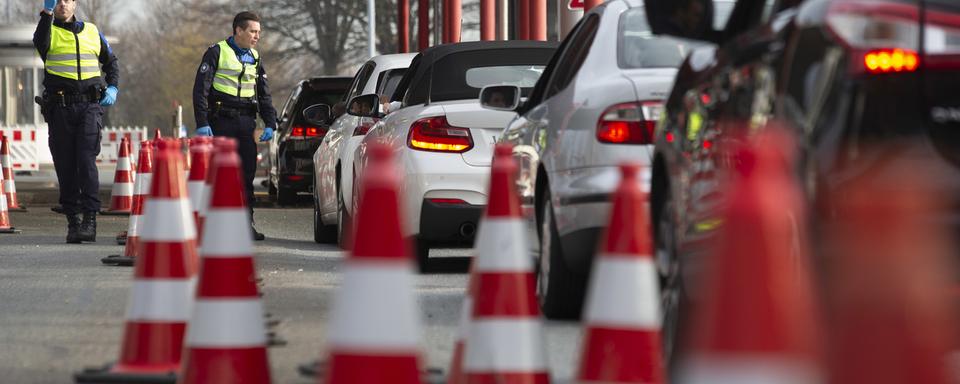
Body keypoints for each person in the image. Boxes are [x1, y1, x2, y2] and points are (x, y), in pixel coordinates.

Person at [33, 0, 120, 243]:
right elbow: (39, 41)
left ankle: (90, 220)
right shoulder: (48, 30)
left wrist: (112, 86)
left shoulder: (92, 31)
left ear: (75, 4)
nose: (62, 4)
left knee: (86, 159)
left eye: (67, 0)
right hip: (60, 109)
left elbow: (111, 62)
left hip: (90, 107)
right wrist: (46, 13)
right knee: (66, 165)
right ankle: (73, 221)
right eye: (58, 1)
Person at [192, 11, 278, 241]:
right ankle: (217, 226)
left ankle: (245, 224)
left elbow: (264, 95)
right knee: (220, 176)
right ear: (238, 30)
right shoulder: (217, 52)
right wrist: (202, 122)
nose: (257, 36)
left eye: (259, 32)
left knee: (247, 175)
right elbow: (201, 90)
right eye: (252, 31)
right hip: (221, 121)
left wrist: (271, 122)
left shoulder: (256, 58)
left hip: (246, 124)